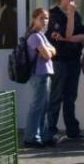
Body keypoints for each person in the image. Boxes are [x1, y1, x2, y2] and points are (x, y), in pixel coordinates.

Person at [47, 0, 84, 140]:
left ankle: (72, 130)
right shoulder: (53, 15)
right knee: (56, 96)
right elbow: (65, 34)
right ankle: (50, 130)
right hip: (59, 61)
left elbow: (83, 35)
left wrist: (67, 38)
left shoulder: (76, 15)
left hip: (73, 60)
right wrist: (69, 19)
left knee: (71, 96)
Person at [23, 8, 57, 148]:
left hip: (45, 74)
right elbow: (47, 55)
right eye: (41, 18)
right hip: (39, 74)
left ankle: (43, 136)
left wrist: (49, 50)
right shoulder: (35, 36)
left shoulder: (41, 35)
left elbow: (54, 50)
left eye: (46, 18)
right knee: (37, 106)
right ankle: (31, 137)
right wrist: (49, 50)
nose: (45, 21)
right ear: (34, 19)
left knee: (44, 107)